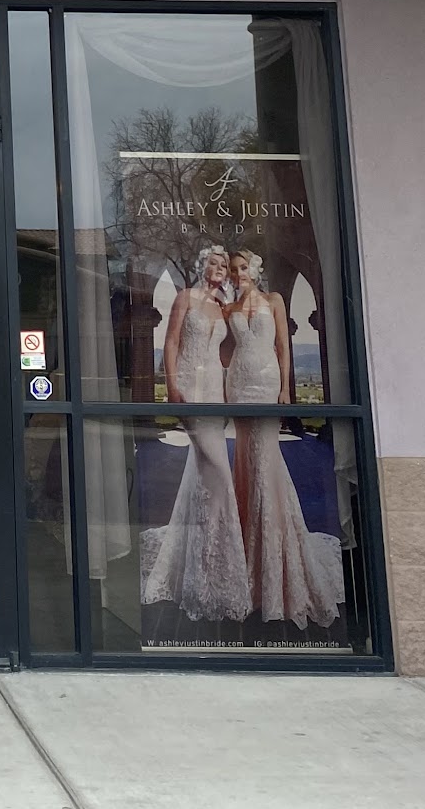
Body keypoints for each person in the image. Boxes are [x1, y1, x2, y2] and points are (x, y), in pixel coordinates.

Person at [224, 250, 343, 628]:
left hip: (266, 381)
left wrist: (285, 389)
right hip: (238, 384)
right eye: (233, 270)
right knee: (245, 460)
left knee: (264, 460)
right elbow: (224, 353)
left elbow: (282, 346)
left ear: (255, 269)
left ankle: (274, 553)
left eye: (243, 267)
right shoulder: (230, 308)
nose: (238, 274)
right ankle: (247, 547)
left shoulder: (273, 300)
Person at [141, 246, 249, 623]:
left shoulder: (222, 307)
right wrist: (172, 385)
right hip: (189, 385)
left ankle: (205, 555)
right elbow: (171, 342)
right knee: (219, 471)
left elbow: (229, 353)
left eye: (224, 265)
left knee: (206, 473)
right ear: (203, 266)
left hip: (216, 389)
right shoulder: (185, 297)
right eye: (214, 263)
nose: (219, 268)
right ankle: (213, 555)